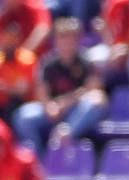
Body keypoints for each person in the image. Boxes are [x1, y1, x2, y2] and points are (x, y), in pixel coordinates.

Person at [11, 17, 108, 154]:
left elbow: (93, 90)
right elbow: (42, 92)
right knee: (23, 115)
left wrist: (65, 103)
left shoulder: (87, 62)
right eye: (62, 38)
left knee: (96, 101)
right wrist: (49, 106)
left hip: (76, 110)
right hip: (53, 110)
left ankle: (66, 134)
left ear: (78, 40)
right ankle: (37, 160)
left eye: (70, 39)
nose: (66, 43)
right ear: (56, 41)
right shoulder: (48, 64)